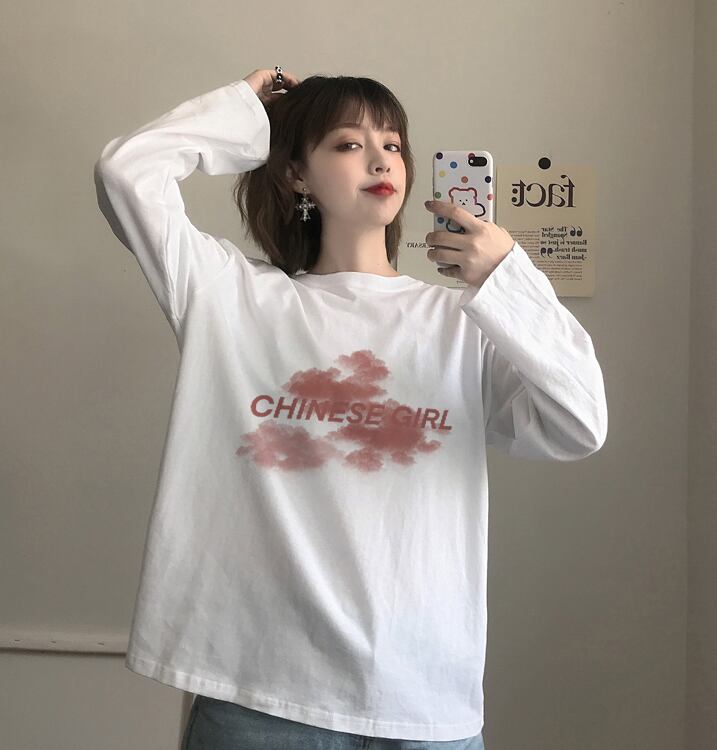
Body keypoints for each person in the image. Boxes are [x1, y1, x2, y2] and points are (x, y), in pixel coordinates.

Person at [94, 66, 608, 750]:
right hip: (263, 697)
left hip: (426, 703)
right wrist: (246, 110)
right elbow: (127, 174)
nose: (380, 160)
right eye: (347, 143)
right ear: (296, 175)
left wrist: (508, 278)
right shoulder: (232, 299)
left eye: (392, 145)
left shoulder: (461, 321)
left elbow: (579, 424)